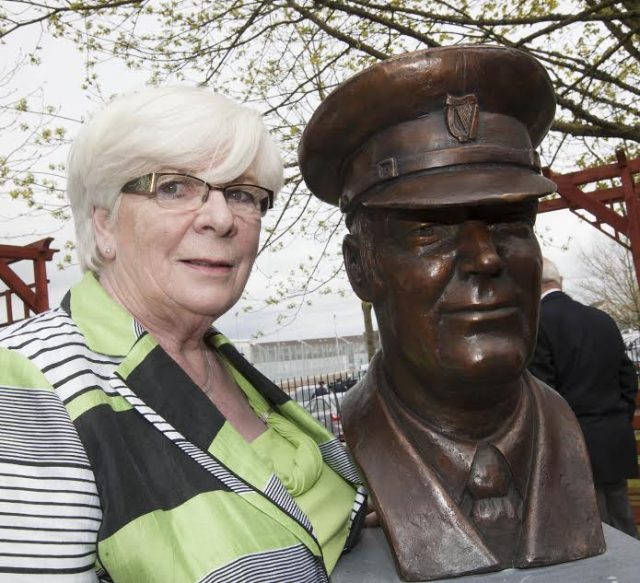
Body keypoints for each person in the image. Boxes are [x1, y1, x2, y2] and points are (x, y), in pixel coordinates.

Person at [0, 86, 365, 582]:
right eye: (173, 187)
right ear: (104, 225)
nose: (220, 219)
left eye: (241, 194)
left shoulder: (221, 363)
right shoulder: (30, 382)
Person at [298, 45, 605, 581]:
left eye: (511, 223)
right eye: (428, 231)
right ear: (360, 268)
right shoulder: (340, 450)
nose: (485, 258)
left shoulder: (564, 435)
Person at [529, 257, 639, 538]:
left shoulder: (537, 324)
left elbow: (544, 390)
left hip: (573, 441)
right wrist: (617, 417)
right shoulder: (601, 319)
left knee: (595, 529)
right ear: (559, 281)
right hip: (613, 436)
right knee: (622, 518)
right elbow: (627, 377)